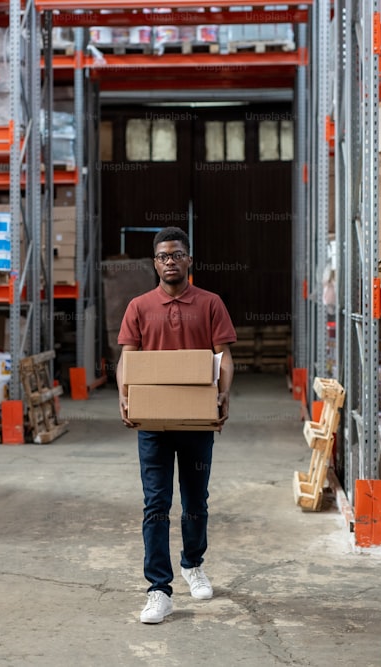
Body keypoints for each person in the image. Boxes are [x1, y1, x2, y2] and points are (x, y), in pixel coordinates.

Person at [117, 226, 236, 624]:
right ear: (155, 263)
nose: (170, 261)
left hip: (196, 420)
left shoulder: (211, 303)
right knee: (156, 504)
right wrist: (124, 393)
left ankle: (192, 563)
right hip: (153, 423)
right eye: (163, 256)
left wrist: (222, 394)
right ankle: (158, 589)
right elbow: (127, 360)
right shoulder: (138, 306)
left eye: (177, 254)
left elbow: (224, 356)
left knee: (195, 500)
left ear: (189, 260)